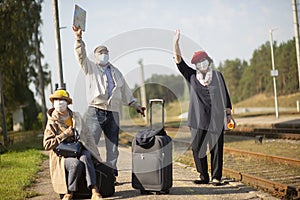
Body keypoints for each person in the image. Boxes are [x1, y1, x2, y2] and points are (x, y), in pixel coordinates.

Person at [72, 26, 145, 181]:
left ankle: (110, 178)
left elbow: (126, 92)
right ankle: (90, 177)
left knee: (113, 148)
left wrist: (136, 105)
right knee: (90, 146)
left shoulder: (116, 72)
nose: (104, 55)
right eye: (101, 53)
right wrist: (78, 39)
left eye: (106, 52)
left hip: (113, 113)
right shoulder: (90, 67)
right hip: (95, 111)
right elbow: (80, 55)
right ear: (95, 56)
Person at [173, 29, 234, 186]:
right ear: (196, 65)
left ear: (209, 62)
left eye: (205, 61)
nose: (203, 64)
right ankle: (203, 176)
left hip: (216, 118)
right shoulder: (191, 76)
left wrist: (228, 114)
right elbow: (179, 61)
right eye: (199, 63)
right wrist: (175, 43)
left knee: (216, 149)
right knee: (197, 149)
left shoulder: (218, 76)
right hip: (197, 118)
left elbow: (225, 95)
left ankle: (216, 177)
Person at [43, 89, 103, 200]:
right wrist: (64, 135)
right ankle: (69, 193)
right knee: (75, 164)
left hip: (78, 149)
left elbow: (88, 136)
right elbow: (47, 144)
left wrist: (96, 153)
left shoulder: (76, 117)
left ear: (67, 102)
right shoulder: (52, 121)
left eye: (62, 99)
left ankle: (94, 190)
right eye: (56, 99)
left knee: (86, 157)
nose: (59, 102)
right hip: (62, 155)